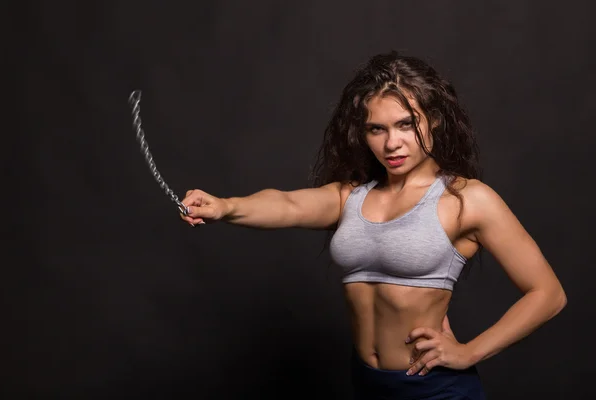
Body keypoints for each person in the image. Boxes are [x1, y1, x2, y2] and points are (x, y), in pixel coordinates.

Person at [178, 51, 567, 399]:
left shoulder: (466, 199)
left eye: (405, 124)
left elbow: (548, 293)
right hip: (368, 384)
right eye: (376, 129)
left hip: (434, 389)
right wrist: (224, 206)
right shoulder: (353, 197)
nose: (392, 143)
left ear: (432, 121)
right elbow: (288, 203)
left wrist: (470, 351)